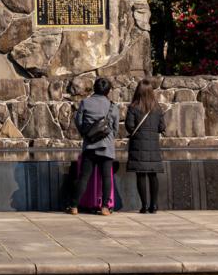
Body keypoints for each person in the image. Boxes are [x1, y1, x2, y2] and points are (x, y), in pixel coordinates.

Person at [68, 77, 117, 216]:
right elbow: (115, 128)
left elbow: (78, 120)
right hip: (106, 147)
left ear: (95, 88)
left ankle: (74, 206)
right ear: (108, 91)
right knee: (107, 177)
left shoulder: (86, 103)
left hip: (90, 146)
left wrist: (85, 133)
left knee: (84, 177)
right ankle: (105, 207)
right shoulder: (112, 106)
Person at [125, 80, 170, 214]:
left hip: (138, 145)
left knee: (141, 175)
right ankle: (154, 205)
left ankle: (144, 206)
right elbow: (162, 127)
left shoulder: (133, 107)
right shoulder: (157, 108)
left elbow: (129, 126)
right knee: (153, 175)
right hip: (153, 146)